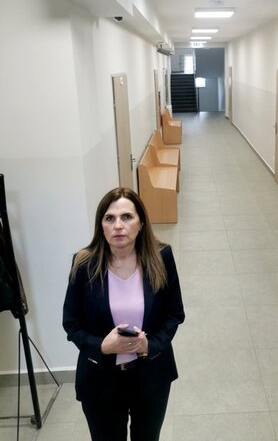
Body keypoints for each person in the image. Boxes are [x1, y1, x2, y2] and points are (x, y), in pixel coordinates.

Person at [63, 187, 185, 441]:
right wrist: (102, 346)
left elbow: (174, 313)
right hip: (100, 378)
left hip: (150, 375)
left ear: (141, 223)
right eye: (110, 218)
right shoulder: (83, 264)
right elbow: (71, 324)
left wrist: (150, 344)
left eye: (127, 217)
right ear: (101, 227)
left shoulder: (161, 257)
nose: (118, 225)